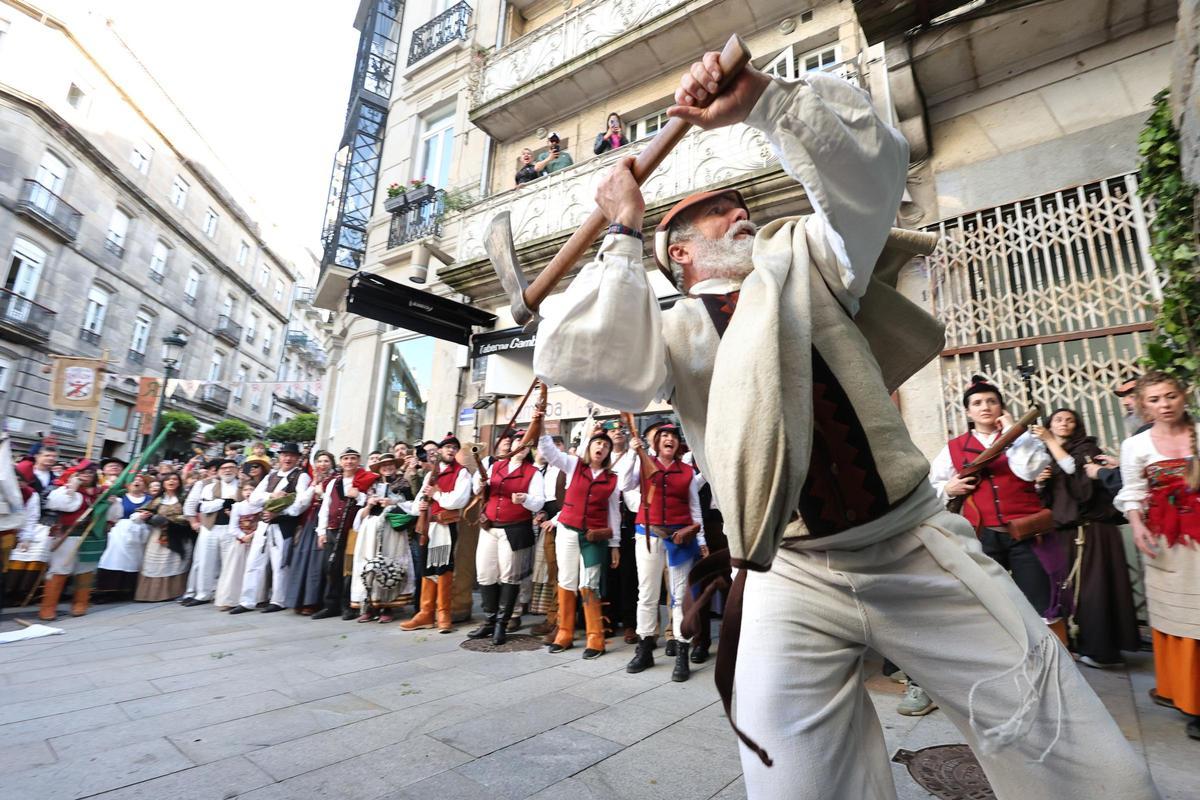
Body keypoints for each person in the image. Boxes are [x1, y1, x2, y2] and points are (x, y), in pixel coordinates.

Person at [531, 52, 1159, 798]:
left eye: (741, 203)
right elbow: (598, 361)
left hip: (911, 545)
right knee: (798, 780)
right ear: (681, 254)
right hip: (785, 573)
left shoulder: (810, 261)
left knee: (1063, 744)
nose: (740, 212)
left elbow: (868, 178)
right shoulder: (667, 336)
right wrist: (621, 234)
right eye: (713, 213)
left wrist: (765, 101)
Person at [1115, 371, 1200, 742]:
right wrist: (1136, 524)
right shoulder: (1135, 446)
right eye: (1154, 399)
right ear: (1143, 406)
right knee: (1181, 618)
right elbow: (1132, 491)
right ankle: (1190, 699)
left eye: (1170, 396)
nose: (1164, 405)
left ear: (1183, 396)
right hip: (1166, 541)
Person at [1033, 408, 1139, 668]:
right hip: (1061, 532)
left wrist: (1048, 440)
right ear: (1050, 423)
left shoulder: (1086, 448)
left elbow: (1079, 479)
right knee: (1064, 590)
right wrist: (1039, 483)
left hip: (1092, 530)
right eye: (1058, 419)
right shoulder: (1041, 456)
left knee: (1095, 590)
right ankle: (1075, 644)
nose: (1064, 423)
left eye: (1070, 420)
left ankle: (1100, 650)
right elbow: (1043, 497)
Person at [622, 422, 706, 680]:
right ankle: (645, 647)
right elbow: (624, 485)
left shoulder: (687, 472)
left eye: (673, 436)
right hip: (647, 535)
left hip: (680, 538)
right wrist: (631, 453)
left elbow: (694, 509)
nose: (669, 439)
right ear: (655, 442)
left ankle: (682, 651)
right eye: (663, 436)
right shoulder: (643, 462)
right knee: (646, 593)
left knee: (680, 595)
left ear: (678, 444)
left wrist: (701, 540)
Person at [536, 419, 620, 659]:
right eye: (597, 443)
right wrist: (541, 428)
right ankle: (565, 632)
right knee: (567, 580)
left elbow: (613, 513)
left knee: (590, 583)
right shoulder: (574, 465)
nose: (601, 447)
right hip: (568, 530)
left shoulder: (612, 479)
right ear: (589, 447)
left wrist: (615, 546)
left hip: (594, 536)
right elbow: (550, 452)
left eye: (605, 445)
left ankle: (595, 637)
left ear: (608, 452)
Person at [469, 431, 544, 645]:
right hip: (490, 526)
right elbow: (477, 489)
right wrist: (481, 485)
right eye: (519, 441)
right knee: (485, 573)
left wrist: (525, 498)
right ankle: (490, 620)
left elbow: (538, 502)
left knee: (509, 576)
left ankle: (503, 622)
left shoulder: (533, 472)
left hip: (515, 529)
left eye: (526, 444)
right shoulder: (494, 466)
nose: (521, 446)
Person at [401, 433, 473, 634]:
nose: (450, 450)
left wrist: (437, 495)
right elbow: (418, 502)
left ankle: (443, 612)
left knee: (441, 567)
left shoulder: (462, 473)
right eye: (447, 447)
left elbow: (457, 501)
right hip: (428, 526)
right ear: (440, 450)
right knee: (426, 568)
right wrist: (422, 503)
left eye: (454, 448)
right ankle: (426, 613)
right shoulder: (432, 473)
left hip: (443, 527)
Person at [236, 442, 312, 614]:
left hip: (283, 525)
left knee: (280, 564)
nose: (288, 458)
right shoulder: (270, 476)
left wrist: (279, 513)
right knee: (254, 562)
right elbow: (254, 498)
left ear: (298, 459)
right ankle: (247, 600)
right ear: (280, 457)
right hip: (264, 524)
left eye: (292, 456)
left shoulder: (301, 476)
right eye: (285, 455)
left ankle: (279, 600)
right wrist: (272, 496)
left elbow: (300, 503)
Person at [350, 454, 417, 623]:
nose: (387, 467)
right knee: (368, 564)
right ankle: (369, 605)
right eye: (384, 465)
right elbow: (363, 511)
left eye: (390, 464)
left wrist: (393, 503)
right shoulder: (372, 485)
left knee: (391, 563)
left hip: (391, 529)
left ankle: (388, 606)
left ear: (395, 466)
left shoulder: (403, 484)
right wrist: (370, 504)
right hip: (371, 528)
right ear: (379, 468)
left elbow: (413, 506)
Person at [311, 448, 375, 620]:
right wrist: (321, 531)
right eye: (346, 458)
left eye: (353, 458)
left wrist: (359, 496)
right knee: (330, 567)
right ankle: (330, 605)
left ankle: (347, 605)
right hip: (332, 529)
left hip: (353, 530)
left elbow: (370, 502)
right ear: (341, 462)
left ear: (358, 460)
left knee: (348, 568)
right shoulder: (334, 482)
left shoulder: (366, 480)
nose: (349, 462)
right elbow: (326, 507)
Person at [39, 461, 102, 620]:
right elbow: (60, 505)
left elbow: (113, 515)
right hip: (67, 535)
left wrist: (111, 502)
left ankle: (81, 603)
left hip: (91, 536)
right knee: (60, 569)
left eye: (90, 472)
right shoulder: (64, 490)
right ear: (76, 473)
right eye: (83, 472)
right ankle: (48, 607)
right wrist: (71, 490)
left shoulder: (101, 494)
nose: (87, 475)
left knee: (85, 571)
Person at [181, 458, 241, 606]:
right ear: (219, 471)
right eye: (224, 468)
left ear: (237, 470)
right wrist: (223, 502)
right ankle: (203, 594)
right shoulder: (208, 486)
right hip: (210, 528)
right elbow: (203, 508)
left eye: (231, 468)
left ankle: (225, 595)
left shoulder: (242, 486)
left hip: (231, 529)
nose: (228, 471)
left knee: (229, 563)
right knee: (205, 562)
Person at [285, 449, 335, 613]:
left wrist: (321, 494)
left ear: (332, 464)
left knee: (317, 562)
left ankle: (313, 601)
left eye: (326, 461)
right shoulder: (312, 482)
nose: (322, 464)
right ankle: (299, 600)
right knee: (303, 559)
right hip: (310, 521)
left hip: (325, 522)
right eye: (320, 461)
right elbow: (301, 503)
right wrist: (313, 486)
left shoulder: (335, 480)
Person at [135, 472, 192, 602]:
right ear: (163, 483)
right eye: (168, 479)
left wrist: (171, 520)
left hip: (179, 535)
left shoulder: (184, 498)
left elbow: (190, 514)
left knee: (177, 563)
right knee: (155, 563)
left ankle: (175, 592)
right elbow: (144, 511)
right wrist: (148, 517)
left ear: (179, 482)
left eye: (175, 479)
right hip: (159, 535)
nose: (171, 481)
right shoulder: (158, 499)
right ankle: (153, 594)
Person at [95, 474, 153, 601]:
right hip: (121, 532)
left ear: (145, 485)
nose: (137, 482)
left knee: (134, 561)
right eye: (134, 480)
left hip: (139, 532)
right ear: (127, 485)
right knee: (113, 559)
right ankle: (107, 592)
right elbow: (112, 516)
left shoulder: (149, 500)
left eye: (140, 481)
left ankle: (127, 590)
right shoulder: (121, 498)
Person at [215, 478, 261, 610]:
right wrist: (243, 536)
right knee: (235, 571)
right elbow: (232, 527)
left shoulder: (261, 506)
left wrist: (252, 535)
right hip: (240, 542)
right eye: (246, 489)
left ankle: (257, 598)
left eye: (251, 489)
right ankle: (230, 600)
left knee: (254, 569)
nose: (248, 492)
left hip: (256, 541)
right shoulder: (238, 506)